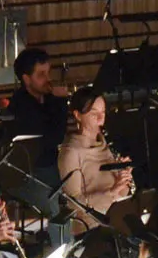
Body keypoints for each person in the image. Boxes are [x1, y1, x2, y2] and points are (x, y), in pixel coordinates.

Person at [56, 88, 133, 229]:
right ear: (78, 115)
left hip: (117, 218)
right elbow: (73, 202)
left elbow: (122, 194)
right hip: (91, 227)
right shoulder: (71, 152)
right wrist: (111, 192)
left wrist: (123, 178)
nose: (100, 119)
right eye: (93, 114)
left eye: (103, 112)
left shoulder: (104, 142)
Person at [6, 47, 71, 171]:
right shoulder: (21, 106)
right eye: (41, 74)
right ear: (26, 79)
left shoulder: (48, 97)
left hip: (53, 163)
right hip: (35, 170)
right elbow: (55, 137)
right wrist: (61, 102)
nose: (48, 79)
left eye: (48, 73)